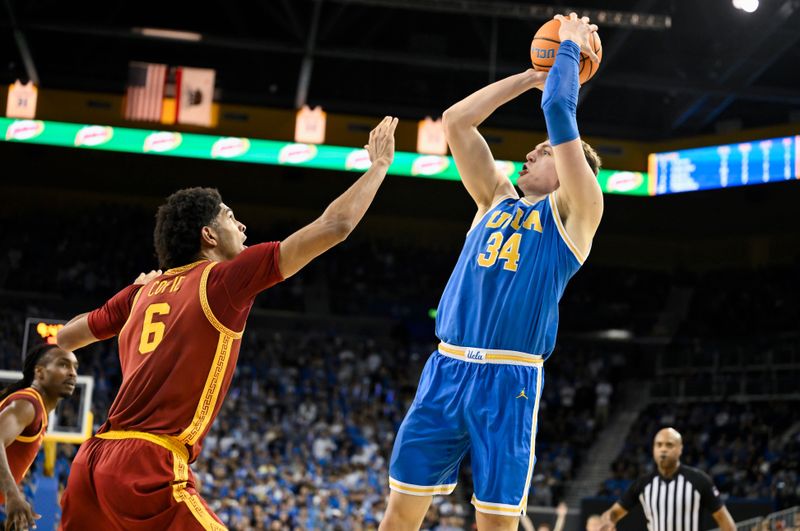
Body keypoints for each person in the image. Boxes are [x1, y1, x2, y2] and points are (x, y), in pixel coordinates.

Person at [56, 116, 398, 530]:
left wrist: (132, 294)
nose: (242, 225)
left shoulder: (140, 293)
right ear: (209, 236)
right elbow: (335, 226)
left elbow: (65, 337)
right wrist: (379, 165)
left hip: (92, 461)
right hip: (147, 464)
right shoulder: (221, 281)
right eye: (231, 217)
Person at [381, 13, 603, 531]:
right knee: (398, 515)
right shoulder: (494, 201)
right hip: (447, 368)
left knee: (497, 524)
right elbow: (456, 120)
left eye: (544, 151)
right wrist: (530, 76)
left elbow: (559, 111)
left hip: (510, 379)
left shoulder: (576, 213)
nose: (529, 152)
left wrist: (567, 50)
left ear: (573, 169)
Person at [0, 344, 78, 531]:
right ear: (40, 372)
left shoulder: (36, 408)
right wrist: (12, 494)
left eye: (75, 367)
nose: (72, 373)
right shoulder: (28, 403)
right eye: (64, 365)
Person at [598, 428, 736, 531]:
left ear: (680, 449)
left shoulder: (699, 480)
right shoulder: (643, 483)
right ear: (653, 449)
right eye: (659, 445)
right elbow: (614, 512)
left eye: (669, 445)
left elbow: (724, 520)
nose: (663, 449)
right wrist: (609, 520)